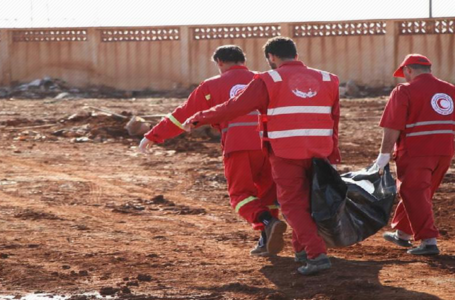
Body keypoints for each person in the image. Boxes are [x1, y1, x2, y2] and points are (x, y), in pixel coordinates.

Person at [184, 37, 341, 275]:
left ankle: (316, 254)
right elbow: (334, 119)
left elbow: (234, 106)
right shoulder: (329, 79)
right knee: (309, 203)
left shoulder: (269, 79)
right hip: (320, 151)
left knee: (291, 206)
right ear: (295, 55)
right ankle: (301, 251)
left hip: (285, 151)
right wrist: (333, 152)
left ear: (272, 58)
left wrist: (198, 118)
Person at [138, 45, 287, 256]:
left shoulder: (211, 85)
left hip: (238, 145)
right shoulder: (265, 79)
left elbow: (183, 115)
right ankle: (267, 239)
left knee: (241, 196)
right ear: (243, 61)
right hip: (272, 145)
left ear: (219, 63)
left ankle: (267, 222)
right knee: (268, 195)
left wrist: (152, 136)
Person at [373, 54, 455, 255]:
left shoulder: (404, 91)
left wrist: (383, 155)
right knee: (419, 192)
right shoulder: (450, 90)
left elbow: (392, 127)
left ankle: (428, 241)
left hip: (416, 151)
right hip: (444, 151)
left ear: (408, 70)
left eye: (405, 74)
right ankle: (403, 233)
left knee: (414, 192)